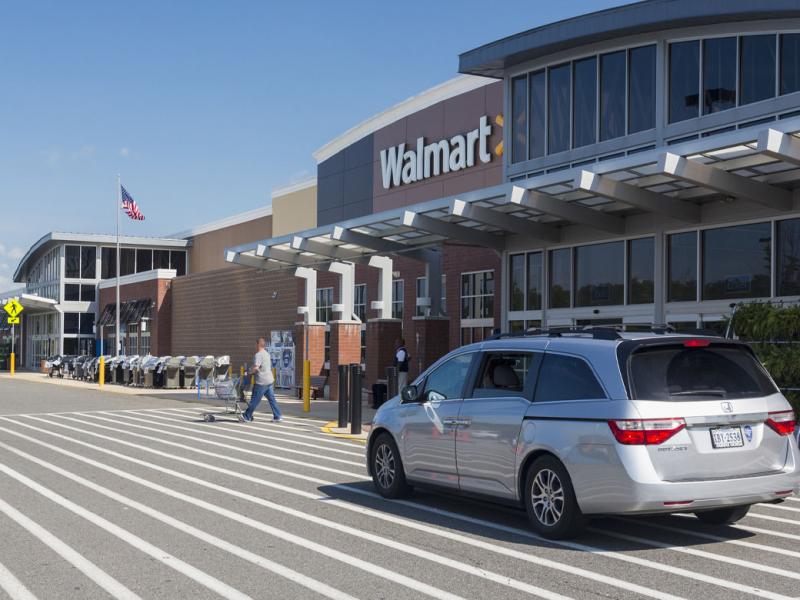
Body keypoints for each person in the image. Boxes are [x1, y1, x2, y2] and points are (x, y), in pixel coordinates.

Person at [241, 337, 282, 423]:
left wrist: (248, 373)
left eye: (255, 344)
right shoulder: (266, 353)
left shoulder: (258, 355)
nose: (254, 346)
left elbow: (256, 368)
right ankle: (277, 416)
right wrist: (251, 368)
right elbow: (260, 365)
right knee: (272, 399)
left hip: (261, 381)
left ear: (258, 344)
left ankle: (247, 416)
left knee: (254, 400)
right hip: (269, 380)